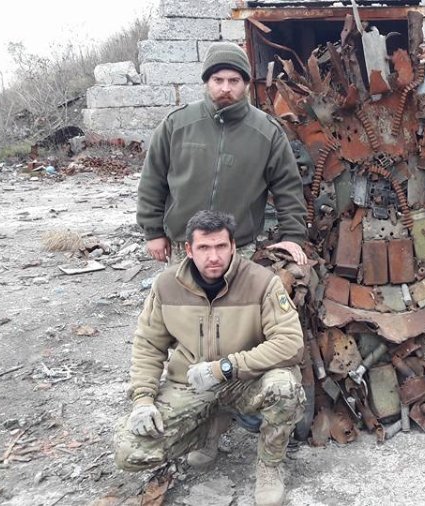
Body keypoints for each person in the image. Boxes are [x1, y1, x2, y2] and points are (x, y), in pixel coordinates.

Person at [113, 210, 306, 506]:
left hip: (245, 380)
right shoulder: (166, 286)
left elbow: (290, 343)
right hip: (192, 383)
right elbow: (148, 345)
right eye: (204, 247)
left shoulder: (261, 282)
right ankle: (209, 430)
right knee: (130, 452)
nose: (213, 256)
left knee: (284, 387)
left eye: (221, 247)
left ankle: (269, 465)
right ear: (189, 250)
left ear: (233, 247)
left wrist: (226, 367)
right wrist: (142, 399)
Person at [137, 42, 308, 265]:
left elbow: (288, 188)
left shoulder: (267, 132)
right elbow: (152, 180)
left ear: (246, 84)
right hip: (185, 246)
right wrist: (153, 232)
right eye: (218, 80)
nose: (226, 88)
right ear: (207, 82)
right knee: (180, 290)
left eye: (234, 81)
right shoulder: (176, 124)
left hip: (239, 248)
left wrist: (292, 237)